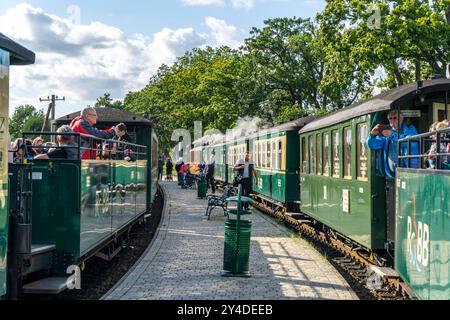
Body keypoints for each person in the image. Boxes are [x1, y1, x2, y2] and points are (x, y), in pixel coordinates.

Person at [367, 110, 420, 178]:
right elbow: (372, 145)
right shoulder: (387, 132)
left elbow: (412, 143)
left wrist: (392, 135)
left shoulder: (410, 128)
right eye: (390, 118)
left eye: (395, 118)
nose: (392, 120)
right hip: (391, 174)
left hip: (409, 173)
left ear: (401, 119)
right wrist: (372, 135)